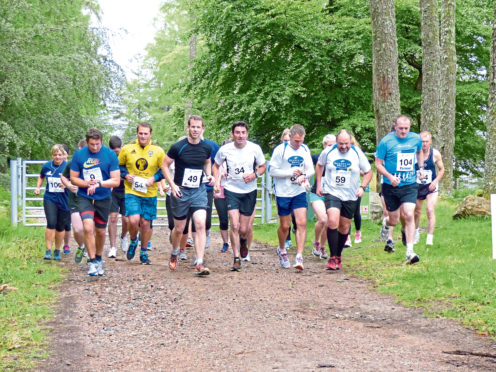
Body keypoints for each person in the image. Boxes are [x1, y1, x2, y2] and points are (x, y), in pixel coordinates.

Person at [162, 115, 214, 276]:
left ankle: (199, 262)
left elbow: (207, 162)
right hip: (181, 191)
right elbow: (164, 165)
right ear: (188, 128)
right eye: (193, 127)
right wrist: (172, 185)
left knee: (200, 223)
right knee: (179, 228)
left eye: (198, 127)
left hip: (198, 190)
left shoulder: (206, 147)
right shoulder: (178, 147)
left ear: (202, 129)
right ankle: (175, 251)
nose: (195, 130)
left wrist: (209, 175)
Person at [213, 121, 266, 271]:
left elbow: (263, 167)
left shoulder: (255, 149)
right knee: (234, 224)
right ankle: (236, 258)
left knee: (244, 228)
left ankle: (243, 241)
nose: (240, 136)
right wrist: (217, 181)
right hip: (231, 189)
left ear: (247, 134)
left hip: (249, 190)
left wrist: (254, 175)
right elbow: (215, 165)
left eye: (243, 133)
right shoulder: (225, 150)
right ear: (232, 134)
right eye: (237, 132)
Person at [316, 129, 372, 270]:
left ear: (350, 141)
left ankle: (338, 255)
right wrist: (318, 184)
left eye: (346, 143)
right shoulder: (328, 151)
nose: (343, 146)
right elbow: (319, 165)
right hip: (332, 192)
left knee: (344, 226)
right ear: (336, 141)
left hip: (350, 194)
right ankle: (332, 257)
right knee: (333, 221)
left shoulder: (357, 153)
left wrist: (362, 187)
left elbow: (368, 172)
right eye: (341, 143)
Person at [70, 128, 120, 276]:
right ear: (87, 142)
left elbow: (116, 180)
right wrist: (86, 184)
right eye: (92, 144)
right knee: (87, 226)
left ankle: (98, 258)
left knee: (100, 231)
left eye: (98, 144)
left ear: (102, 142)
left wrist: (99, 183)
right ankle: (91, 261)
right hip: (85, 196)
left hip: (103, 196)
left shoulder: (110, 155)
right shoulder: (79, 155)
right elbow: (73, 178)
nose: (95, 147)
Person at [375, 115, 424, 264]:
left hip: (409, 184)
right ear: (395, 126)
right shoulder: (386, 142)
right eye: (401, 128)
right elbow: (378, 164)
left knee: (409, 214)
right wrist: (390, 177)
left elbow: (419, 151)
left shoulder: (416, 139)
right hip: (391, 186)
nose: (403, 131)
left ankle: (410, 251)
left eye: (406, 129)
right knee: (394, 220)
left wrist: (420, 168)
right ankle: (386, 223)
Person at [118, 122, 165, 265]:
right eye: (140, 133)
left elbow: (164, 170)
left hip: (149, 192)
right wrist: (126, 175)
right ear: (137, 134)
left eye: (146, 133)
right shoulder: (127, 149)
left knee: (145, 223)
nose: (143, 136)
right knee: (133, 220)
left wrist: (154, 178)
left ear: (150, 134)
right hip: (132, 190)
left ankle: (143, 251)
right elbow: (118, 166)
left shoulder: (158, 151)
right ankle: (133, 240)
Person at [269, 124, 314, 270]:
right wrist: (290, 173)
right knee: (285, 226)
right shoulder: (280, 150)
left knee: (301, 223)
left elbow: (310, 169)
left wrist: (303, 176)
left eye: (301, 141)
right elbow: (272, 171)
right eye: (296, 141)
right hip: (283, 192)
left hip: (298, 191)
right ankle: (282, 249)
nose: (299, 144)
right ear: (290, 138)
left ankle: (299, 256)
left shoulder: (305, 149)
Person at [35, 144, 70, 261]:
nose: (57, 157)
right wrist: (38, 187)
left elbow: (75, 179)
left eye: (60, 155)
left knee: (60, 226)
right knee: (51, 222)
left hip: (64, 199)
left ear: (63, 155)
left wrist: (66, 184)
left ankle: (57, 250)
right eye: (55, 155)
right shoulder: (47, 166)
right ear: (52, 155)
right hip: (50, 198)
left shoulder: (68, 166)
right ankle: (48, 250)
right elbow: (41, 176)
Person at [414, 131, 445, 246]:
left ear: (431, 142)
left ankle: (429, 238)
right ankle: (415, 234)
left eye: (427, 142)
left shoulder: (435, 154)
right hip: (417, 186)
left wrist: (435, 181)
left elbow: (442, 169)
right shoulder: (414, 153)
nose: (424, 144)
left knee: (429, 209)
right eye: (422, 142)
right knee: (416, 212)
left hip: (431, 186)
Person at [60, 139, 87, 263]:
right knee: (78, 229)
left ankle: (93, 255)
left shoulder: (98, 162)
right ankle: (81, 247)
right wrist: (69, 185)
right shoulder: (72, 163)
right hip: (75, 200)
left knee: (91, 229)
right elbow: (63, 177)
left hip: (92, 201)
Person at [310, 134, 336, 259]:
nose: (332, 148)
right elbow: (305, 166)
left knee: (329, 221)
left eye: (334, 145)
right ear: (324, 146)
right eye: (329, 145)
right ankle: (316, 242)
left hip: (331, 194)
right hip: (317, 193)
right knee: (324, 219)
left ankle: (323, 246)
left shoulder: (338, 159)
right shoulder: (316, 157)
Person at [107, 136, 129, 258]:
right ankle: (112, 247)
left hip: (126, 190)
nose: (117, 154)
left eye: (118, 151)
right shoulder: (108, 157)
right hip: (113, 191)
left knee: (127, 220)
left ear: (122, 147)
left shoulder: (127, 155)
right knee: (113, 218)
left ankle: (124, 236)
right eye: (114, 152)